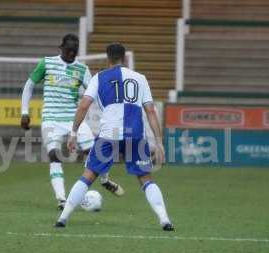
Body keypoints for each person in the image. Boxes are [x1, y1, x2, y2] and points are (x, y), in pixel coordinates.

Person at [55, 43, 174, 231]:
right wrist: (159, 143)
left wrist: (74, 133)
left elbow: (84, 105)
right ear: (125, 58)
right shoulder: (140, 78)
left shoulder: (99, 78)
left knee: (88, 175)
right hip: (135, 134)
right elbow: (150, 111)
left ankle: (62, 218)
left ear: (107, 59)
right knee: (145, 178)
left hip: (109, 135)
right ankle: (165, 220)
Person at [20, 34, 124, 211]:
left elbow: (94, 93)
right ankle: (61, 199)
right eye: (68, 51)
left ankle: (105, 181)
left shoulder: (82, 69)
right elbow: (29, 85)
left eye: (74, 52)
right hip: (51, 118)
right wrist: (24, 112)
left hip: (73, 118)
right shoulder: (46, 63)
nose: (71, 54)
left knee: (94, 153)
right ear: (61, 48)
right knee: (54, 155)